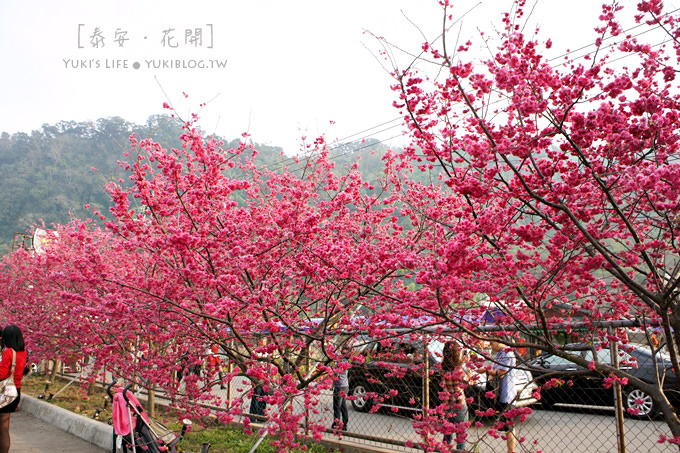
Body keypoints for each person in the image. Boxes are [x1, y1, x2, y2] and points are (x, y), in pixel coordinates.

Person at [478, 340, 517, 453]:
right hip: (502, 392)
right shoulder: (500, 353)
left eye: (492, 343)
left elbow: (500, 373)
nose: (491, 345)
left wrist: (485, 369)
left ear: (500, 341)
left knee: (508, 425)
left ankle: (511, 451)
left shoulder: (506, 353)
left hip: (507, 393)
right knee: (505, 424)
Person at [0, 326, 27, 453]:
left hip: (3, 392)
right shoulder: (22, 352)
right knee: (4, 427)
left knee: (2, 428)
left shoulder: (8, 352)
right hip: (15, 391)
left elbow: (2, 374)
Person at [441, 341, 471, 452]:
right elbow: (469, 381)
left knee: (447, 435)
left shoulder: (442, 368)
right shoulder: (458, 369)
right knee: (461, 437)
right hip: (459, 404)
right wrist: (467, 366)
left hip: (447, 404)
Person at [331, 346, 350, 431]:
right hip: (345, 385)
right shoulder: (347, 361)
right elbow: (335, 355)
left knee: (337, 406)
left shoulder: (340, 362)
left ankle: (336, 423)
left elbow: (336, 374)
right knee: (343, 405)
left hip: (339, 386)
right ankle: (345, 423)